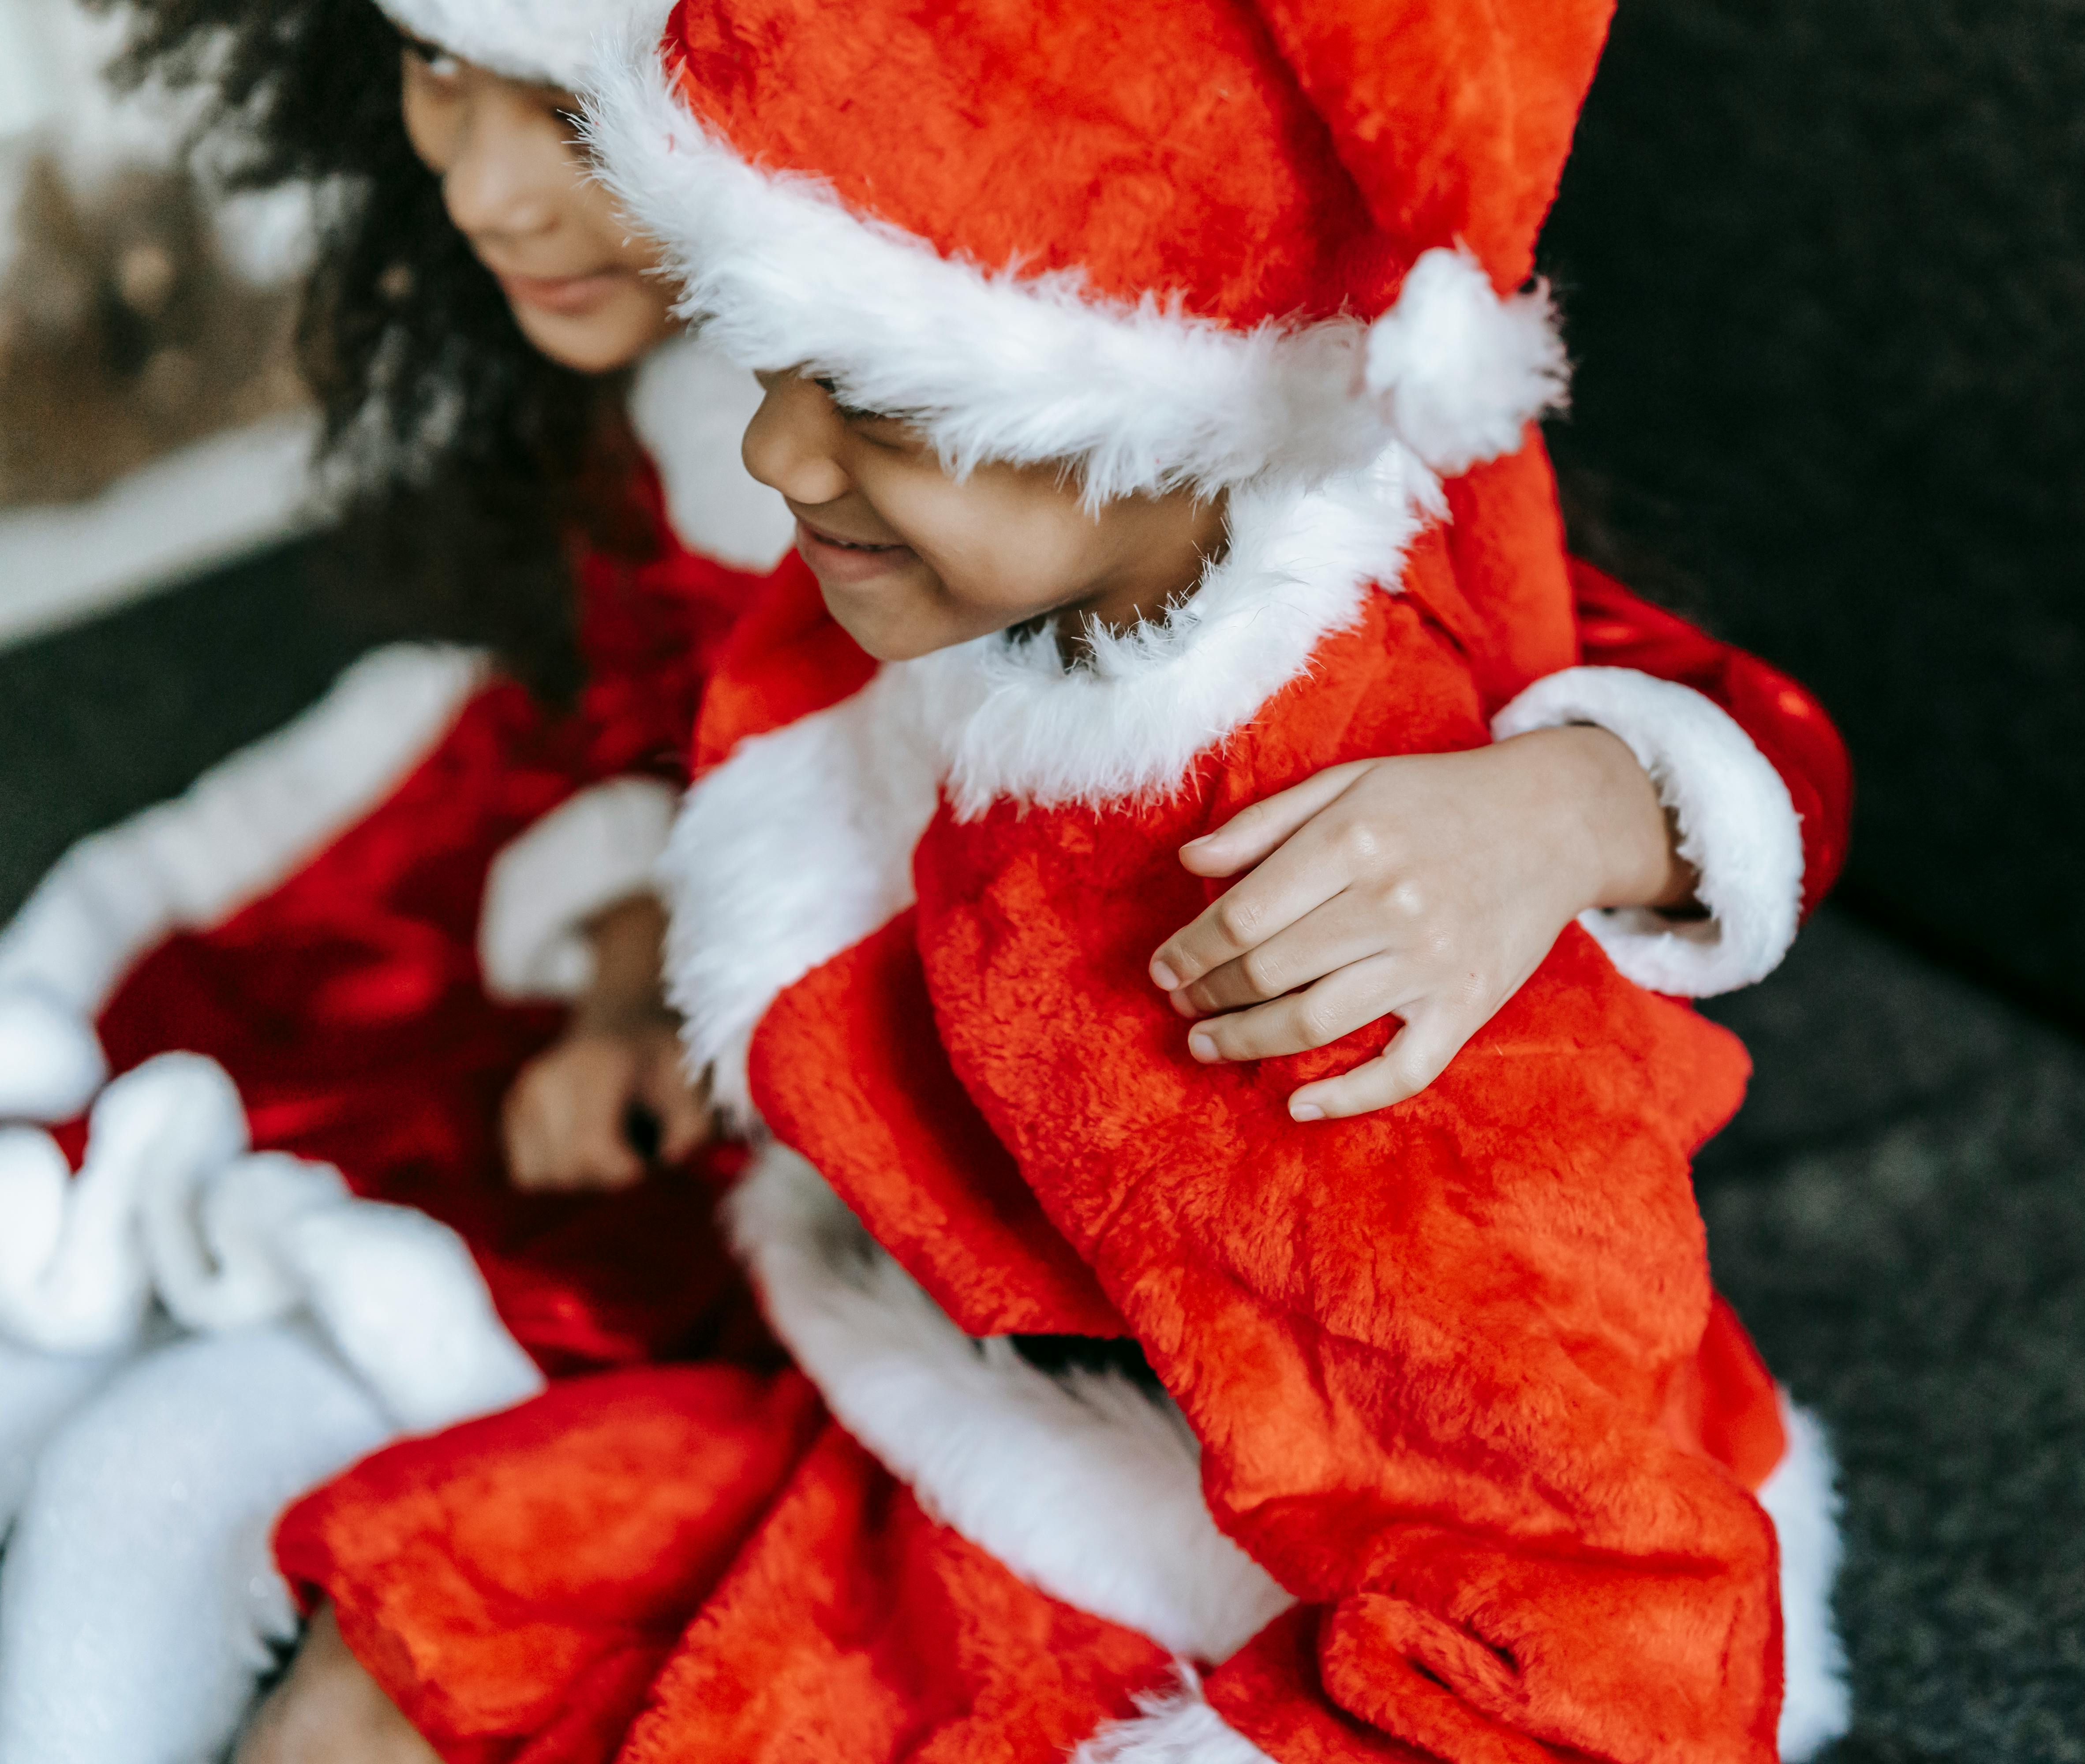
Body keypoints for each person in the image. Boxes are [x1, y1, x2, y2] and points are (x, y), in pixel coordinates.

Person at [237, 0, 1858, 1760]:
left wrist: (1553, 816)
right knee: (403, 1624)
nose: (774, 455)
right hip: (894, 1340)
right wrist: (644, 957)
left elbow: (1600, 1609)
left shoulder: (1332, 838)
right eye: (765, 354)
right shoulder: (868, 545)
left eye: (561, 112)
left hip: (1166, 1521)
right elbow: (672, 728)